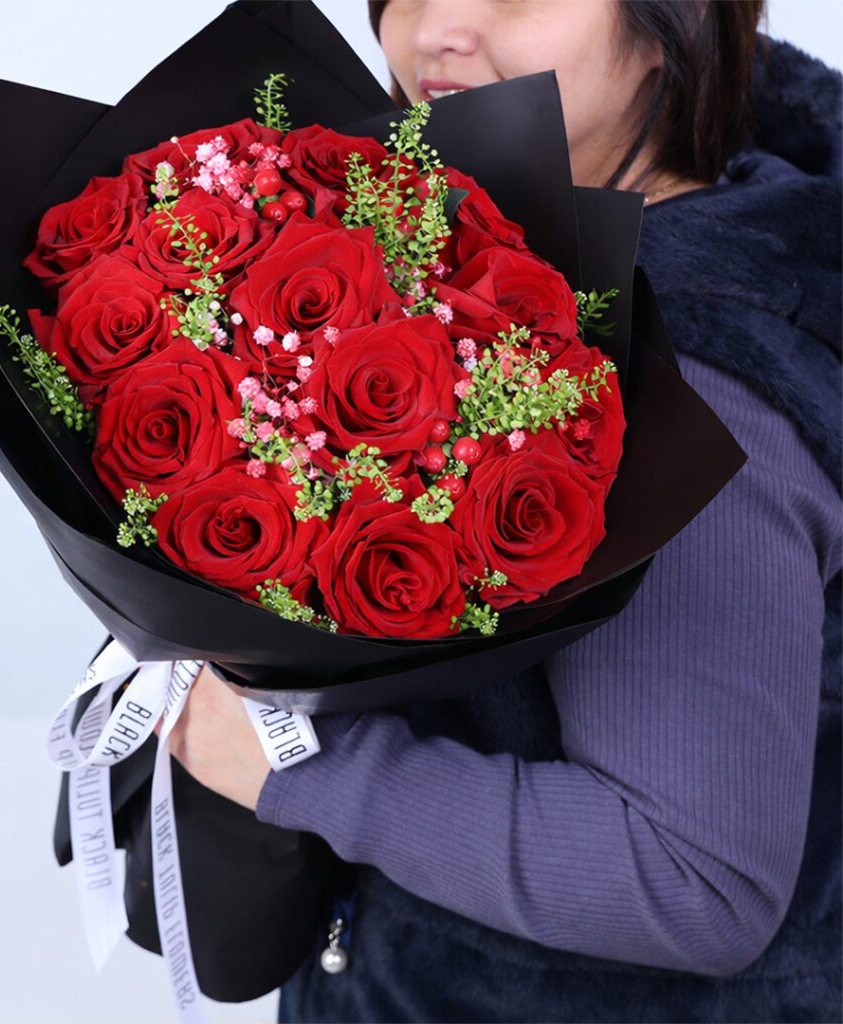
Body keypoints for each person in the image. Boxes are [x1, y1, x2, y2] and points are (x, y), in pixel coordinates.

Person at [168, 1, 842, 1020]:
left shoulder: (693, 380)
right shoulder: (499, 231)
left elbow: (691, 879)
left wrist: (297, 765)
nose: (440, 25)